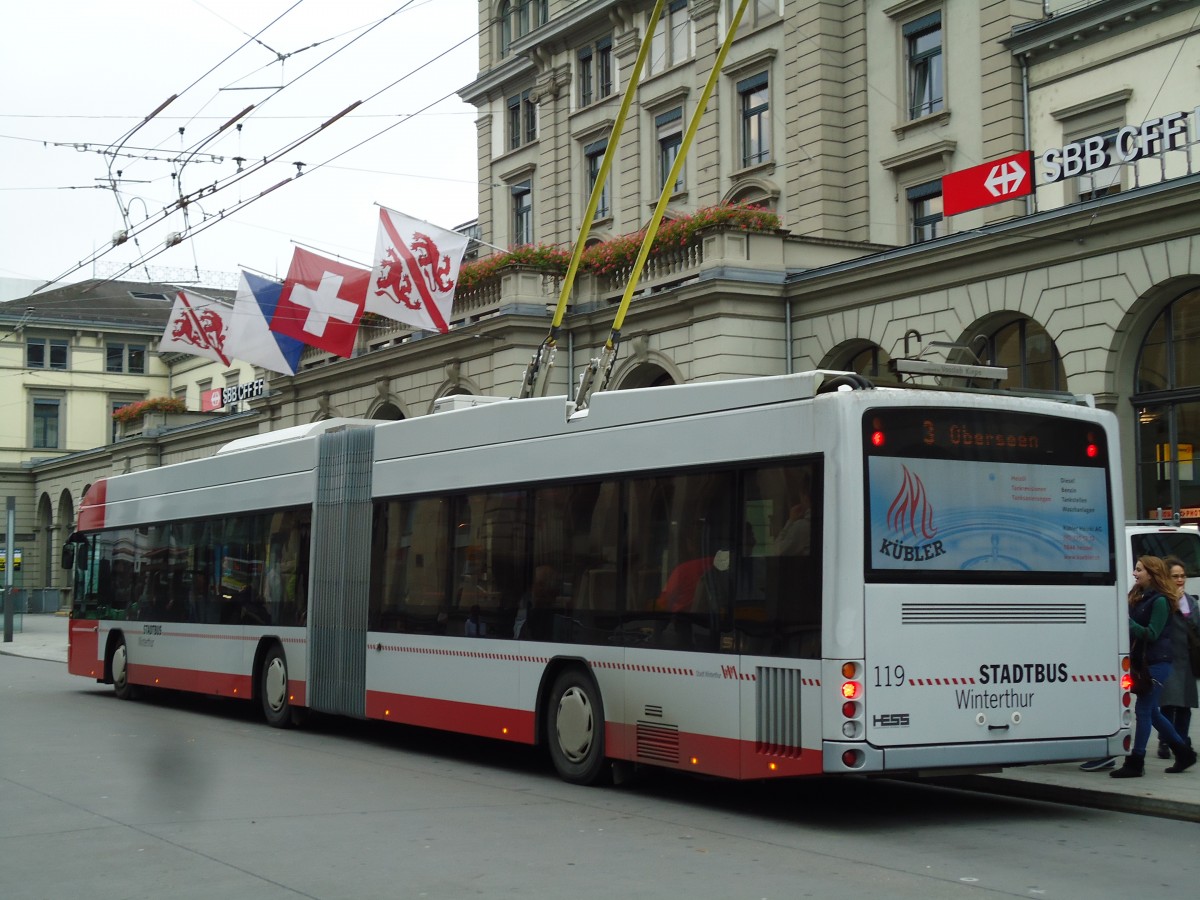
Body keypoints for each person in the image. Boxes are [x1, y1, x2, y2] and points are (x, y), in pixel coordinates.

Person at [1110, 555, 1198, 777]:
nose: (1134, 573)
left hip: (1157, 663)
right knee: (1153, 712)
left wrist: (1127, 622)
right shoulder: (1138, 596)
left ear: (1151, 573)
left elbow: (1152, 633)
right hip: (1144, 662)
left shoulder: (1159, 601)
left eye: (1139, 570)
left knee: (1143, 710)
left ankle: (1136, 762)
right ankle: (1183, 752)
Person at [1157, 557, 1200, 758]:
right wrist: (1174, 601)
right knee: (1169, 702)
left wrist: (1184, 606)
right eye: (1175, 576)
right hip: (1168, 657)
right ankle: (1165, 741)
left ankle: (1182, 740)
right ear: (1167, 578)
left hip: (1187, 659)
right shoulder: (1161, 599)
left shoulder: (1190, 601)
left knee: (1186, 704)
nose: (1180, 580)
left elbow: (1196, 626)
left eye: (1183, 576)